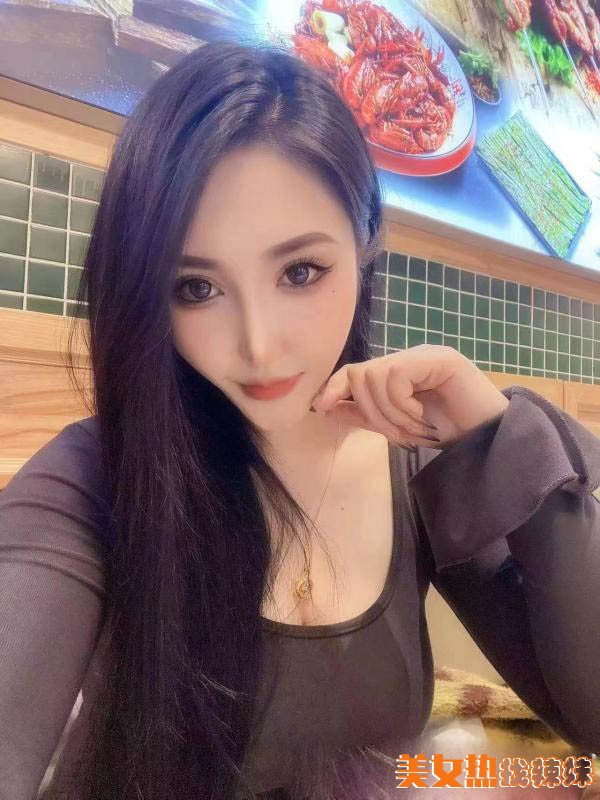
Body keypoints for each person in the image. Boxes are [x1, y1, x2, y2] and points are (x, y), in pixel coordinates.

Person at [0, 38, 599, 800]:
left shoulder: (416, 464)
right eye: (196, 289)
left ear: (365, 242)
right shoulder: (95, 477)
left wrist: (501, 443)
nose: (258, 345)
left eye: (301, 272)